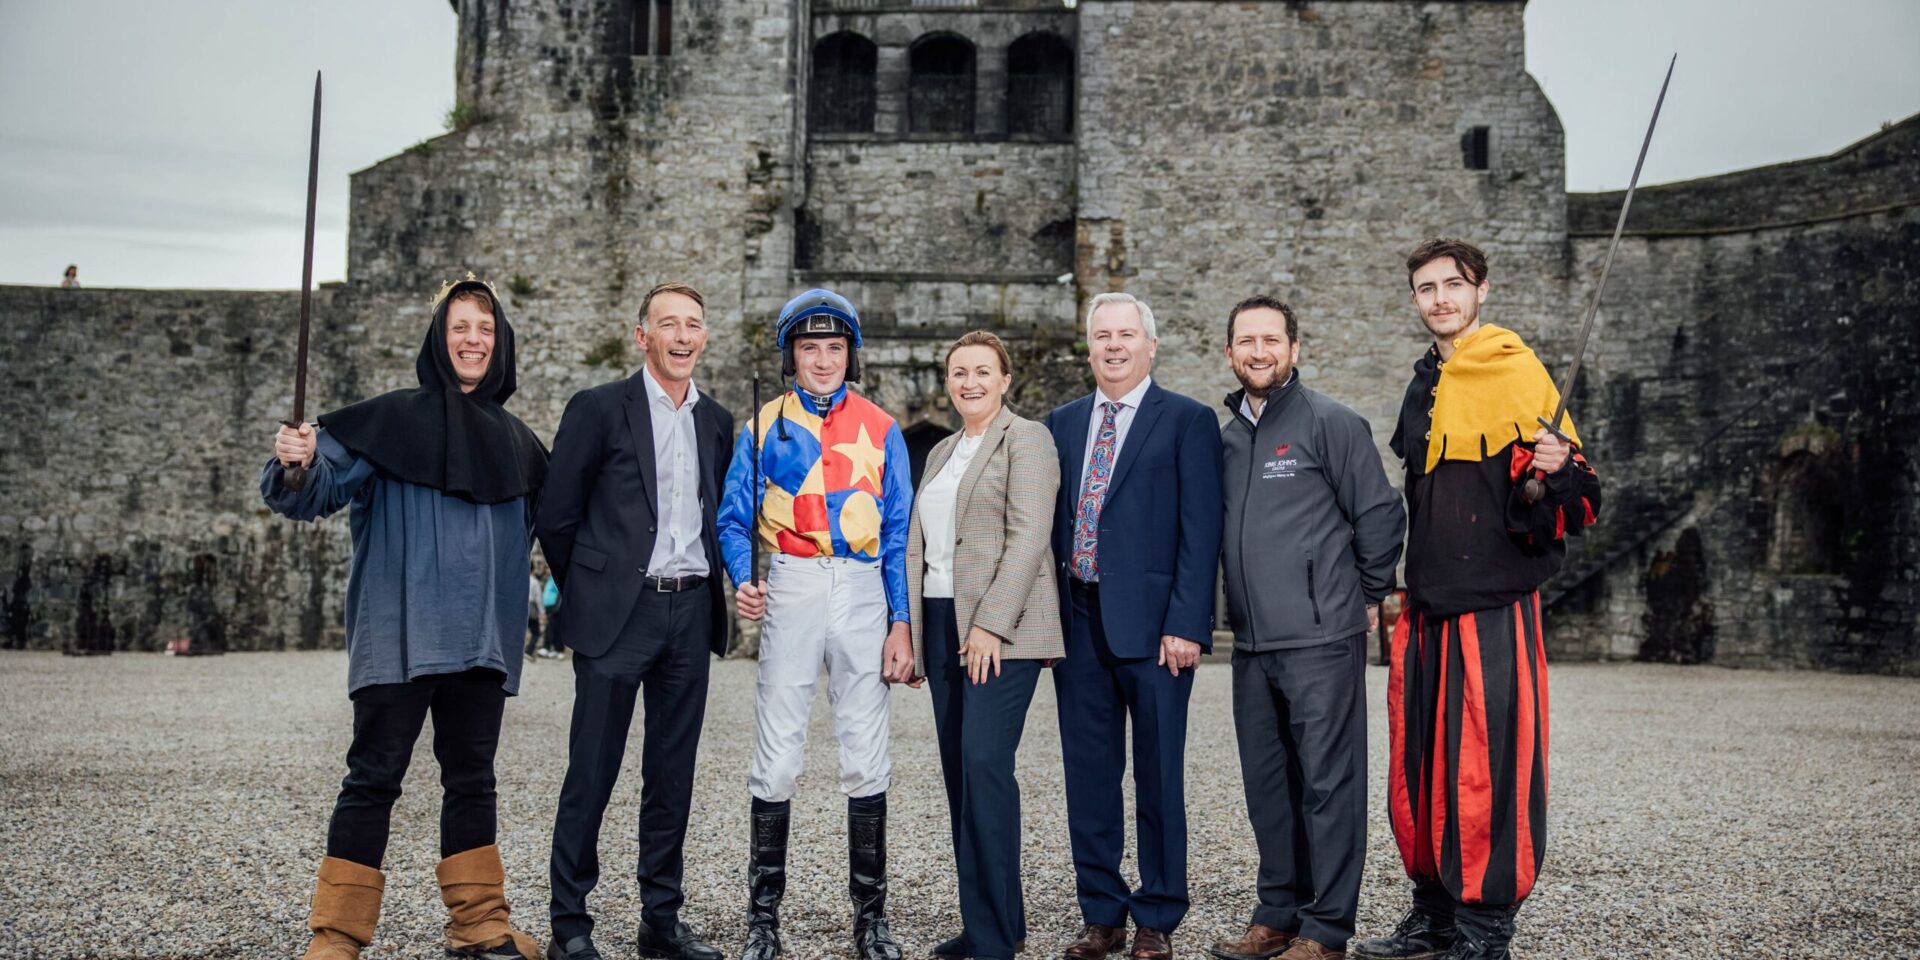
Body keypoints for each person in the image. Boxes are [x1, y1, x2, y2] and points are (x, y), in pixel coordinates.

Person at [262, 274, 547, 960]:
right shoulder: (385, 421)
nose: (472, 340)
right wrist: (296, 462)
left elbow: (562, 534)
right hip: (400, 636)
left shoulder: (522, 444)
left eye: (484, 329)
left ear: (499, 342)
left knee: (473, 779)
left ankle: (479, 926)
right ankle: (336, 937)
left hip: (482, 641)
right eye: (459, 327)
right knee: (373, 779)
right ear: (438, 339)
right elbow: (311, 492)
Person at [1351, 240, 1602, 960]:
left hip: (1492, 601)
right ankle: (1432, 919)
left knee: (1487, 770)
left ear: (1481, 291)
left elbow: (1577, 505)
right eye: (1426, 288)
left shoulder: (1516, 370)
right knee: (1422, 768)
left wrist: (1552, 474)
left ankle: (1484, 931)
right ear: (1414, 300)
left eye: (1453, 285)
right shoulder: (1423, 385)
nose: (1440, 299)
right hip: (1427, 604)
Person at [535, 282, 735, 960]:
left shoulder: (717, 420)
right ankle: (569, 924)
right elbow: (557, 513)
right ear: (641, 335)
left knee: (672, 774)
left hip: (690, 609)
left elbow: (718, 516)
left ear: (705, 338)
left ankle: (661, 920)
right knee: (592, 770)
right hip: (619, 614)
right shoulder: (598, 409)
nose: (683, 335)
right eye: (668, 323)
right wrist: (595, 586)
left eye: (694, 325)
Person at [717, 288, 914, 960]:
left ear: (849, 353)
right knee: (777, 751)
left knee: (865, 749)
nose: (823, 359)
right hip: (795, 581)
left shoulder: (883, 427)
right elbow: (733, 518)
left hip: (861, 585)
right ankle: (762, 920)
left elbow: (896, 535)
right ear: (790, 355)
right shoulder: (762, 424)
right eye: (810, 348)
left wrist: (901, 621)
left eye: (834, 347)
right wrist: (745, 577)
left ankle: (872, 918)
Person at [1209, 297, 1406, 960]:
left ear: (1294, 349)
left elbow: (1380, 518)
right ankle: (1277, 913)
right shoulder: (1226, 435)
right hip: (1252, 644)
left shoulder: (1332, 423)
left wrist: (1355, 597)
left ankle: (1326, 929)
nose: (1258, 351)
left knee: (1329, 784)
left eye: (1271, 339)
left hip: (1322, 640)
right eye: (1246, 340)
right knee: (1268, 785)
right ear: (1229, 353)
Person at [1043, 292, 1223, 960]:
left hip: (1155, 631)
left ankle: (1157, 915)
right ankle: (1101, 914)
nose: (1113, 346)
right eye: (1102, 336)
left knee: (1158, 774)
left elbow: (1201, 532)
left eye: (1126, 335)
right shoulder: (1060, 423)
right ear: (1087, 347)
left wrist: (1187, 623)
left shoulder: (1187, 420)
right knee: (1088, 776)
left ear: (1151, 347)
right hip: (1079, 620)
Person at [905, 331, 1062, 960]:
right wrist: (916, 636)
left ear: (1004, 380)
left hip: (1004, 627)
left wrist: (991, 624)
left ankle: (995, 940)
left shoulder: (1028, 439)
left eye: (981, 372)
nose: (968, 382)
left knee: (985, 767)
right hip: (943, 622)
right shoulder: (942, 450)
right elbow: (923, 547)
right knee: (959, 776)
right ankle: (991, 923)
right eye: (958, 372)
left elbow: (1029, 537)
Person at [525, 561, 550, 662]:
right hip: (531, 608)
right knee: (536, 632)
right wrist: (542, 613)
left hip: (520, 607)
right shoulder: (534, 582)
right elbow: (538, 599)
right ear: (533, 569)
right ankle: (528, 651)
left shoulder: (519, 579)